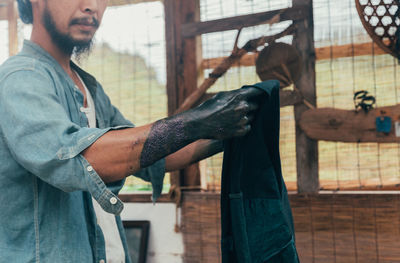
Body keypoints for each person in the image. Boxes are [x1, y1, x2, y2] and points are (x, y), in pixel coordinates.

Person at [0, 0, 264, 262]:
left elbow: (147, 155)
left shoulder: (89, 88)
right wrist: (194, 122)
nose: (91, 6)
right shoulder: (21, 78)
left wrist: (226, 129)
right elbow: (85, 158)